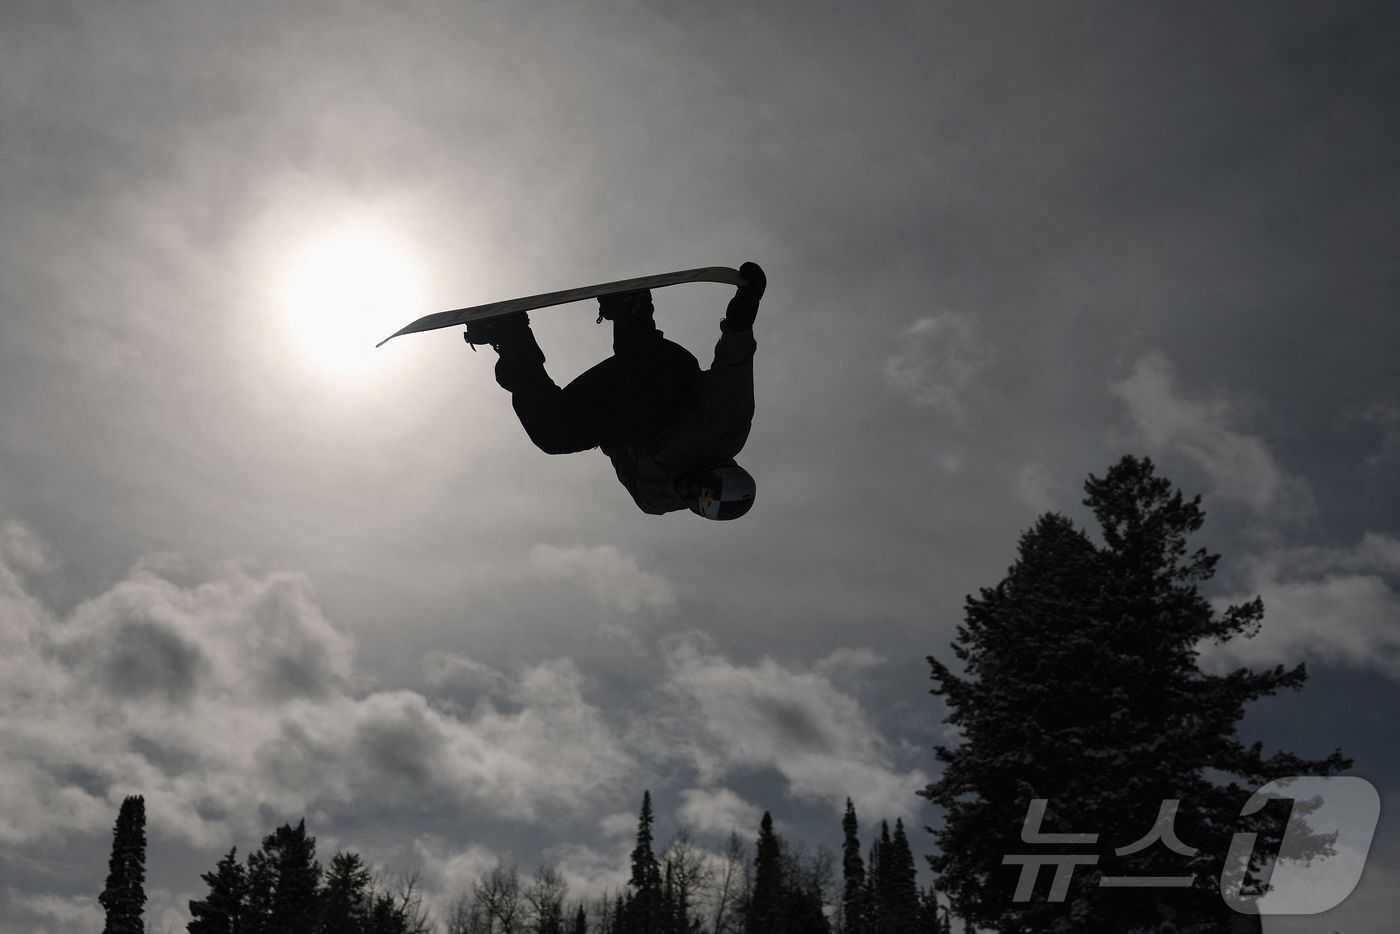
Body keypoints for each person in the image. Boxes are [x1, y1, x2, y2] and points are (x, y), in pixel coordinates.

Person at [464, 261, 766, 519]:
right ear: (718, 470)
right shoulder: (724, 427)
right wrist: (744, 311)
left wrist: (613, 444)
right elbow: (733, 366)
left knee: (552, 434)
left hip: (619, 411)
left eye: (695, 503)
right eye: (700, 489)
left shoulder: (657, 499)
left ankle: (508, 332)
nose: (687, 492)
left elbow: (626, 462)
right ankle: (630, 310)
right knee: (647, 410)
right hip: (664, 376)